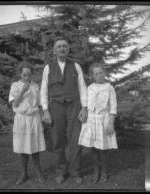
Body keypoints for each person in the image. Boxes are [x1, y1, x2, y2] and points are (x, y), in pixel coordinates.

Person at [40, 37, 88, 184]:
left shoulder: (76, 66)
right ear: (54, 51)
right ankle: (61, 171)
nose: (62, 48)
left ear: (68, 49)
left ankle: (75, 172)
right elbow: (43, 90)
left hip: (74, 106)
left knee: (75, 141)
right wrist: (46, 111)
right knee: (57, 141)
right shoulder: (48, 67)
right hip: (55, 107)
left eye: (65, 46)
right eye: (59, 46)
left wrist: (84, 108)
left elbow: (82, 87)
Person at [78, 63, 118, 183]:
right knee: (94, 148)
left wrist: (111, 123)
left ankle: (104, 171)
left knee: (103, 148)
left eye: (101, 73)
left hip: (104, 120)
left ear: (104, 73)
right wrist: (83, 111)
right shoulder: (90, 88)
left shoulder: (109, 88)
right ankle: (96, 171)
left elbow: (113, 107)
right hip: (91, 120)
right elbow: (85, 104)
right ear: (93, 76)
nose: (99, 75)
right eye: (96, 74)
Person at [9, 62, 46, 185]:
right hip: (21, 119)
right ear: (20, 74)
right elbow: (14, 104)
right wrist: (23, 91)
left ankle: (38, 172)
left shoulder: (35, 86)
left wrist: (43, 116)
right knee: (22, 147)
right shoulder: (15, 86)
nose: (27, 77)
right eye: (24, 75)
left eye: (29, 75)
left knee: (35, 147)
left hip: (34, 118)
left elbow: (40, 104)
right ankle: (24, 173)